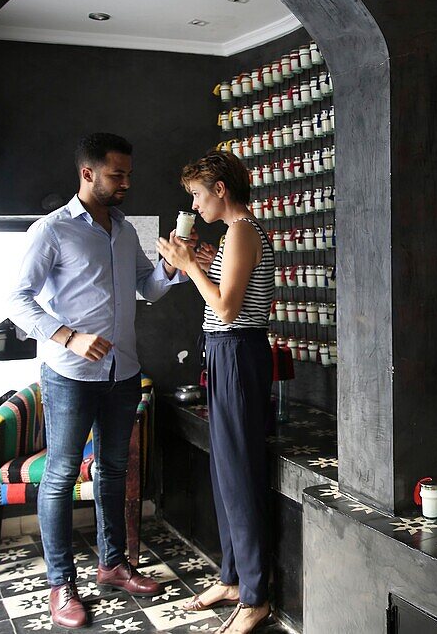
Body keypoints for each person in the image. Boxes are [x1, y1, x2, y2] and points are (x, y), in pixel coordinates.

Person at [9, 133, 193, 628]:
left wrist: (174, 268)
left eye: (129, 174)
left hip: (124, 372)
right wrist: (67, 336)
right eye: (118, 175)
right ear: (88, 173)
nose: (127, 183)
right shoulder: (51, 231)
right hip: (70, 375)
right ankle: (59, 585)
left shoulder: (125, 230)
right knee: (62, 476)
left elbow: (147, 289)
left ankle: (112, 565)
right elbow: (16, 300)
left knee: (114, 471)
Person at [156, 150, 275, 634]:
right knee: (225, 467)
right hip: (226, 353)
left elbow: (226, 309)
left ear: (220, 190)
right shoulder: (233, 236)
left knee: (241, 471)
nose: (195, 204)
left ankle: (256, 597)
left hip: (238, 352)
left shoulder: (244, 230)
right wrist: (202, 262)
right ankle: (232, 578)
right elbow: (228, 295)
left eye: (197, 194)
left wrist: (189, 265)